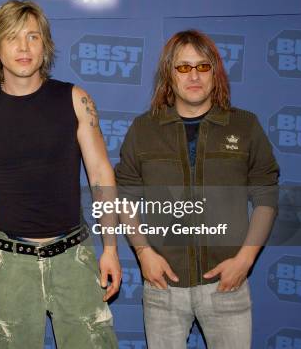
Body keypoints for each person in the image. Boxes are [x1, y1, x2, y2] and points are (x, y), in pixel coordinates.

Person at [0, 0, 121, 348]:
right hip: (10, 264)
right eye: (13, 37)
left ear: (44, 46)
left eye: (33, 37)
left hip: (74, 258)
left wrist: (110, 248)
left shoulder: (76, 100)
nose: (23, 47)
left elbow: (100, 174)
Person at [115, 30, 279, 349]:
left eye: (203, 67)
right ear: (168, 74)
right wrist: (143, 252)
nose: (193, 76)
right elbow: (125, 197)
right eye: (183, 67)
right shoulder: (143, 130)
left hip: (226, 285)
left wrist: (244, 260)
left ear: (214, 73)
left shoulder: (245, 126)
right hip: (163, 286)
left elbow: (266, 197)